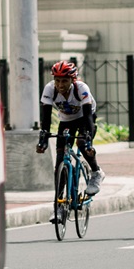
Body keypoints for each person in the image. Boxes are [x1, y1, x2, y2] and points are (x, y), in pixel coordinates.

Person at [36, 58, 103, 198]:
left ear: (72, 80)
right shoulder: (49, 89)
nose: (60, 85)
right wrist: (43, 140)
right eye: (57, 80)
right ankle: (59, 205)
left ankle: (96, 173)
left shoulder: (81, 88)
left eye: (64, 81)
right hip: (66, 120)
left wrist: (88, 140)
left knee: (82, 143)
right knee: (60, 160)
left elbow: (88, 117)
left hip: (85, 117)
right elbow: (46, 118)